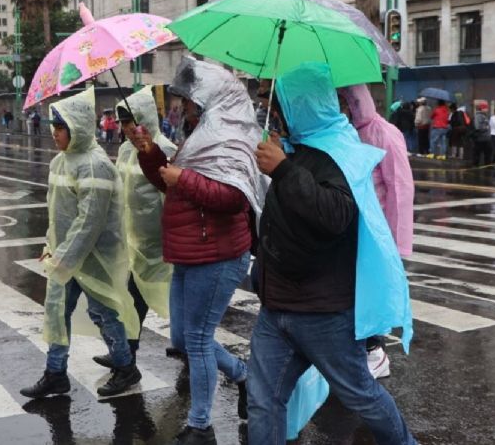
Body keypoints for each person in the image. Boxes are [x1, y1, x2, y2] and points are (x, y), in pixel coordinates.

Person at [248, 63, 415, 445]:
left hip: (324, 313)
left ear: (300, 103)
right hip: (277, 308)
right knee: (263, 401)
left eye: (276, 99)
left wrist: (286, 170)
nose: (269, 107)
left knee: (362, 395)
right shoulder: (292, 148)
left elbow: (335, 215)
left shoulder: (341, 151)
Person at [132, 57, 262, 444]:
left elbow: (232, 198)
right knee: (183, 339)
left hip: (218, 254)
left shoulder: (228, 139)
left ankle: (201, 425)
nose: (182, 106)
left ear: (207, 100)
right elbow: (169, 184)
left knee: (199, 340)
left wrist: (182, 177)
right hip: (189, 251)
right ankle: (242, 375)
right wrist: (150, 152)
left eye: (187, 100)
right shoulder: (200, 134)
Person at [20, 87, 143, 400]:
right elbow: (56, 211)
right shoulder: (61, 162)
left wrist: (64, 256)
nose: (56, 134)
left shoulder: (94, 165)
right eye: (54, 128)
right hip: (65, 256)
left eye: (61, 128)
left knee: (103, 313)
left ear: (78, 128)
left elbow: (89, 222)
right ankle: (55, 373)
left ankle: (126, 366)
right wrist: (51, 246)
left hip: (94, 257)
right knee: (57, 312)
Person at [92, 88, 180, 369]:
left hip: (160, 245)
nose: (128, 129)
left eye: (132, 122)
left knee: (174, 301)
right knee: (132, 301)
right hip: (135, 242)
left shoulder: (164, 150)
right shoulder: (125, 151)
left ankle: (190, 349)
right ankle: (127, 355)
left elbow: (173, 198)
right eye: (124, 124)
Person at [340, 84, 415, 379]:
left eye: (346, 100)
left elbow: (400, 188)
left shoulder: (383, 132)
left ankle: (375, 350)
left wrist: (397, 243)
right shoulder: (349, 132)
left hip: (376, 229)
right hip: (353, 226)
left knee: (371, 291)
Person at [472, 102, 492, 167]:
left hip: (486, 138)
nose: (487, 109)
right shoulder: (478, 116)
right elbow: (477, 127)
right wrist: (486, 128)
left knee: (487, 154)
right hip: (480, 139)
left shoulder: (484, 116)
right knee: (477, 153)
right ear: (482, 108)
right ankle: (475, 166)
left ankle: (487, 166)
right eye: (486, 108)